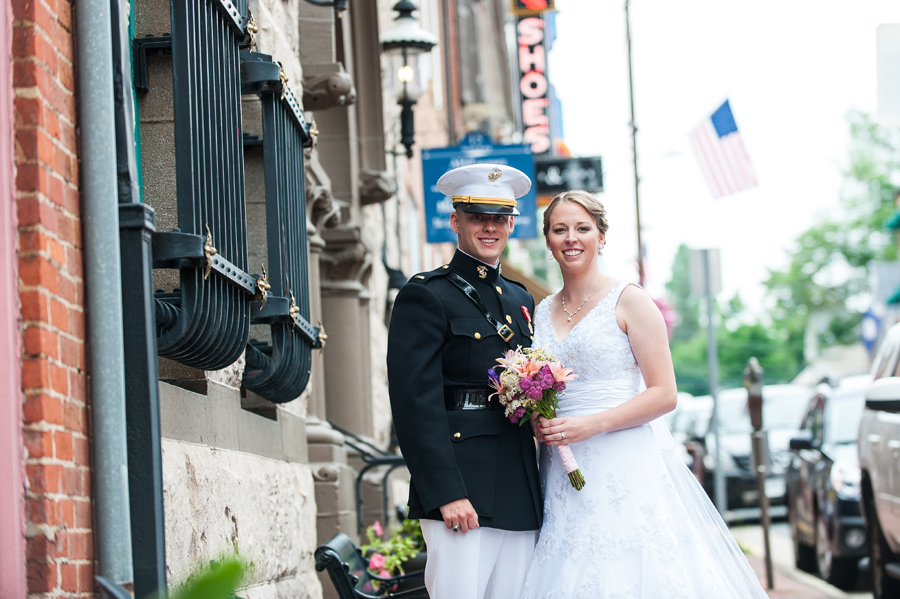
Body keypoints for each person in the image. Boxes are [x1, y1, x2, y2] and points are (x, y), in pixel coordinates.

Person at [523, 190, 768, 598]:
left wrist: (591, 425)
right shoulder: (541, 310)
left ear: (601, 236)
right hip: (559, 466)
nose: (571, 238)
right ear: (547, 240)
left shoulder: (630, 300)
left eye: (582, 228)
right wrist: (537, 417)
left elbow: (664, 394)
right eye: (560, 229)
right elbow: (542, 387)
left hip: (622, 460)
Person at [387, 163, 543, 599]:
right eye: (477, 216)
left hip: (517, 482)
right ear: (455, 221)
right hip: (462, 484)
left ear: (511, 223)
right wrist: (446, 492)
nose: (489, 227)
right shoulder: (427, 293)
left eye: (499, 218)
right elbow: (414, 403)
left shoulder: (519, 299)